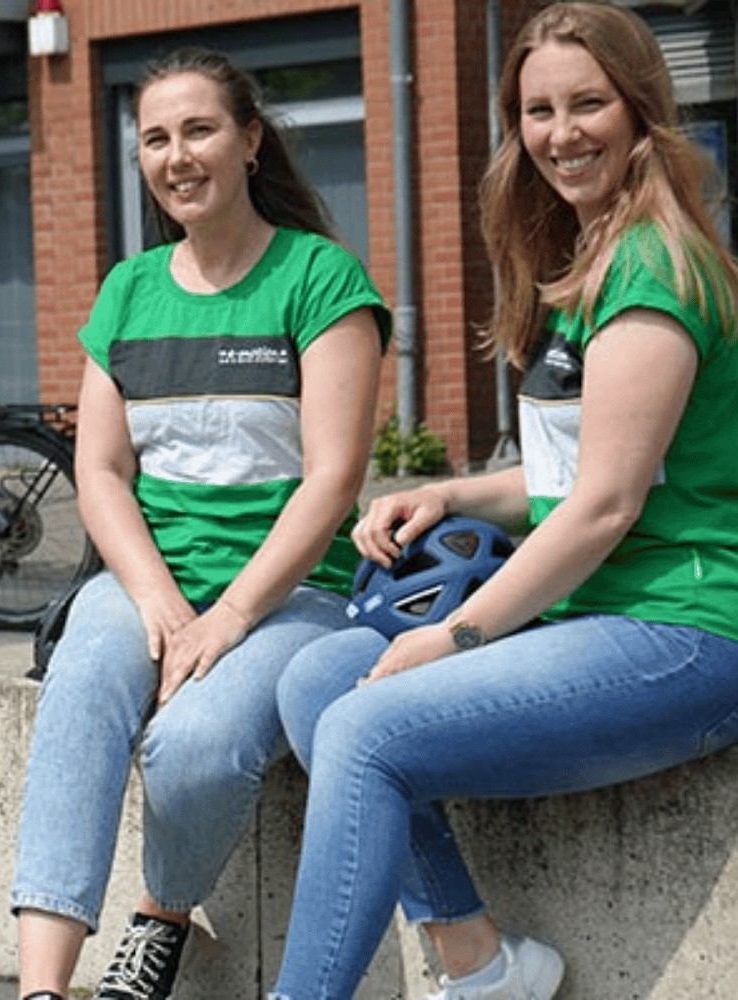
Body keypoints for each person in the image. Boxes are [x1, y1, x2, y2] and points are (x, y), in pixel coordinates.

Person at [269, 4, 738, 999]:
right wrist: (445, 491)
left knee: (365, 725)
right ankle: (482, 965)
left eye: (588, 104)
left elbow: (606, 504)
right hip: (590, 611)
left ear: (641, 109)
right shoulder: (586, 253)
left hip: (684, 627)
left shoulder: (655, 265)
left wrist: (460, 636)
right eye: (538, 110)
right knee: (317, 682)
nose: (561, 132)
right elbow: (576, 472)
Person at [10, 47, 386, 1000]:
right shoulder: (129, 290)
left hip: (292, 595)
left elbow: (333, 479)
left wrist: (226, 619)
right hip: (152, 577)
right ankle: (40, 989)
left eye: (200, 129)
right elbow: (98, 471)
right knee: (85, 682)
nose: (178, 155)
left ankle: (164, 912)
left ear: (250, 141)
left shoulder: (322, 279)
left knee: (196, 745)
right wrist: (157, 599)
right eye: (156, 137)